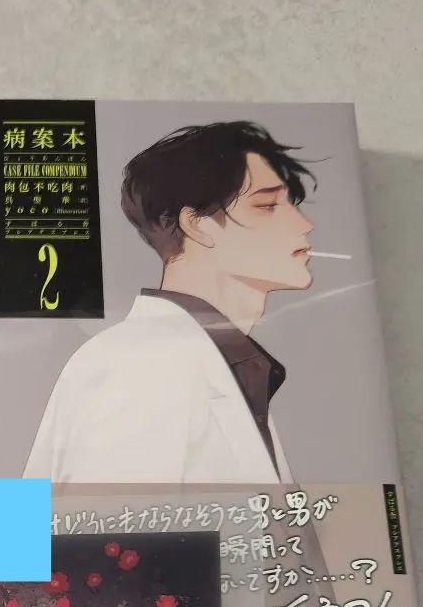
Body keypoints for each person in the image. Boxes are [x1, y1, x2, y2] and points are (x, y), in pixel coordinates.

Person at [24, 121, 317, 484]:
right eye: (268, 205)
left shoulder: (212, 362)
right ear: (198, 225)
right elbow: (113, 519)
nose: (304, 223)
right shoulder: (141, 366)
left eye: (292, 204)